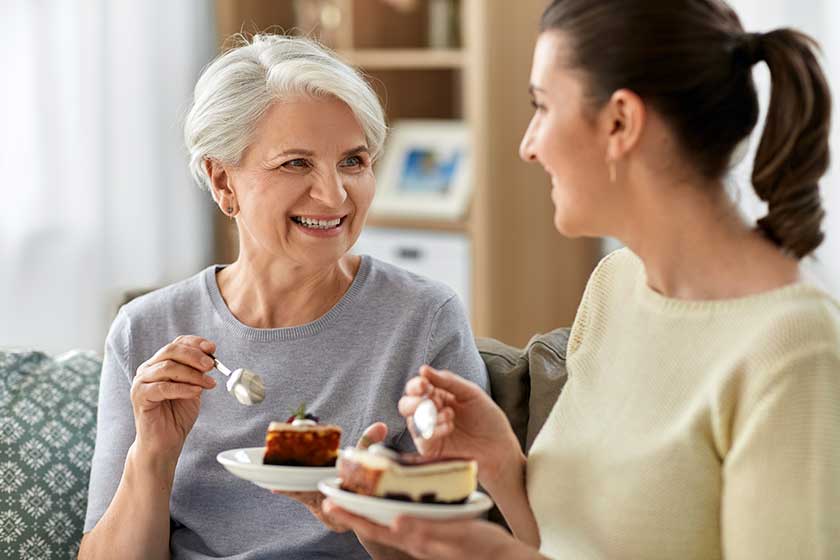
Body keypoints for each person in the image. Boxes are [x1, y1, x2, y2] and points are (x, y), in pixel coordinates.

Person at [322, 0, 840, 558]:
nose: (528, 144)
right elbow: (561, 545)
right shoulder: (615, 286)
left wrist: (491, 556)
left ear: (620, 122)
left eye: (542, 107)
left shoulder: (795, 350)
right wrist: (504, 468)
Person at [78, 35, 487, 560]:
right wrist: (152, 456)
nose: (335, 195)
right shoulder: (146, 329)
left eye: (354, 161)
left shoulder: (423, 319)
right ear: (223, 180)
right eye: (296, 163)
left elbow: (472, 547)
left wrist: (366, 514)